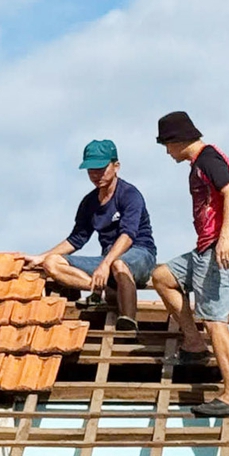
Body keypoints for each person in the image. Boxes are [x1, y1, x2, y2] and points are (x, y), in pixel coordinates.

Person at [147, 111, 229, 417]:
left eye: (167, 144)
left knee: (215, 319)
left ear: (178, 140)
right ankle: (193, 343)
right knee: (162, 276)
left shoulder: (208, 158)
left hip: (220, 248)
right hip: (204, 250)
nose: (167, 152)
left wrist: (225, 238)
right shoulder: (198, 164)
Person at [24, 139, 157, 331]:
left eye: (101, 169)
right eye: (91, 170)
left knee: (119, 265)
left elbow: (128, 235)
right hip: (107, 259)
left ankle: (128, 320)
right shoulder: (89, 202)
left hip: (139, 254)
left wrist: (105, 265)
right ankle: (100, 289)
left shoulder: (129, 194)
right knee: (52, 263)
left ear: (116, 166)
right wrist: (41, 257)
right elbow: (76, 239)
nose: (96, 175)